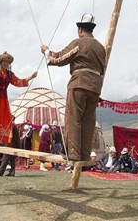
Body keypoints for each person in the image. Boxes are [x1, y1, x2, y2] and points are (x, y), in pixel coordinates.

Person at [40, 13, 106, 162]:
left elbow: (59, 58)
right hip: (95, 88)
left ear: (80, 30)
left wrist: (46, 51)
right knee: (88, 122)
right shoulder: (101, 48)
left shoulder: (79, 43)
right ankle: (84, 154)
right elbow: (103, 68)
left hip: (79, 84)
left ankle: (74, 155)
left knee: (74, 119)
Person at [0, 51, 37, 144]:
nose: (6, 63)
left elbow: (18, 82)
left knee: (4, 118)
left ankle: (1, 139)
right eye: (4, 61)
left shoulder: (10, 74)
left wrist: (31, 77)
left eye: (8, 62)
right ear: (0, 62)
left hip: (3, 98)